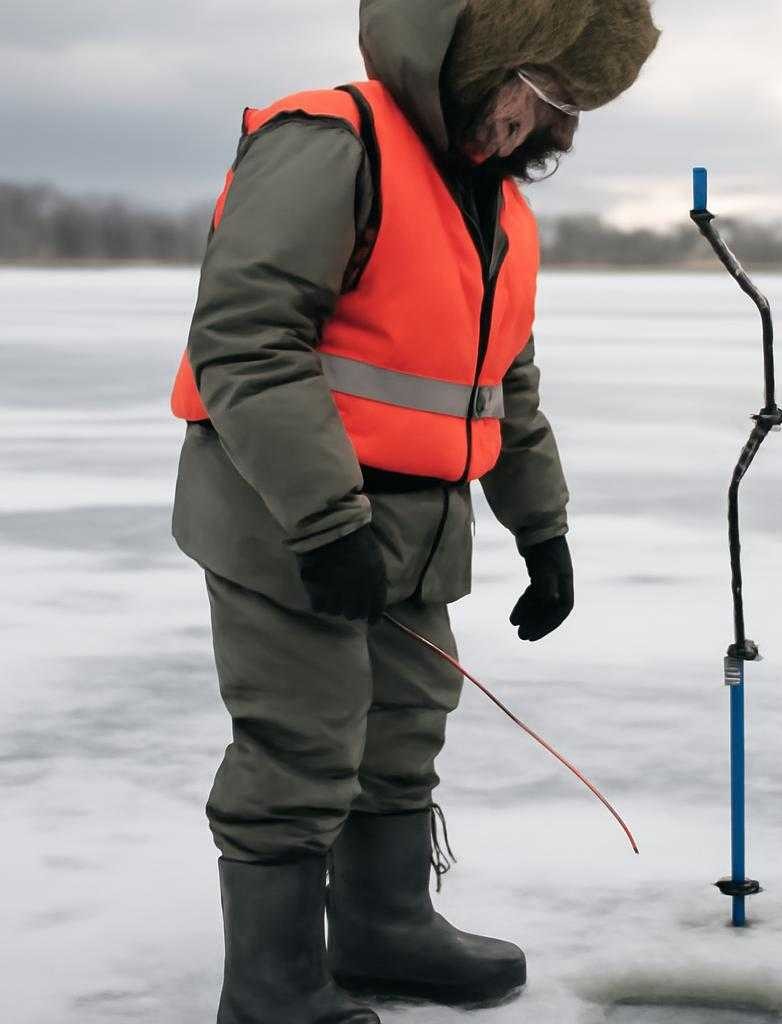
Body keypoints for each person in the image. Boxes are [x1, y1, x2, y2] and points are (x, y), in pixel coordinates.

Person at [169, 1, 660, 1021]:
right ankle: (269, 989)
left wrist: (542, 526)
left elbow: (503, 383)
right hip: (284, 511)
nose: (524, 132)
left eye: (552, 112)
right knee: (301, 743)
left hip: (419, 524)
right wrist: (323, 517)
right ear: (469, 63)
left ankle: (383, 925)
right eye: (522, 98)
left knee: (402, 732)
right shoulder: (331, 142)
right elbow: (247, 342)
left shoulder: (492, 209)